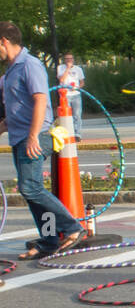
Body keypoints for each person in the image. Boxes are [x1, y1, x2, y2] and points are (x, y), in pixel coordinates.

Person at [0, 21, 87, 258]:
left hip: (36, 136)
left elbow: (40, 100)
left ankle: (72, 228)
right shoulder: (8, 73)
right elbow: (12, 114)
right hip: (20, 137)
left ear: (3, 41)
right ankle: (48, 240)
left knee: (31, 188)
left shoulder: (30, 65)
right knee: (31, 193)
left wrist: (32, 137)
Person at [56, 52, 84, 140]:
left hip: (76, 94)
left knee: (77, 115)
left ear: (73, 59)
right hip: (65, 95)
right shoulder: (60, 68)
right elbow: (61, 80)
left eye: (70, 58)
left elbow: (82, 82)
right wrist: (67, 68)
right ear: (64, 60)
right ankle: (67, 133)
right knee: (66, 115)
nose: (69, 60)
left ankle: (77, 134)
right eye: (67, 59)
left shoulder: (78, 69)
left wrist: (77, 87)